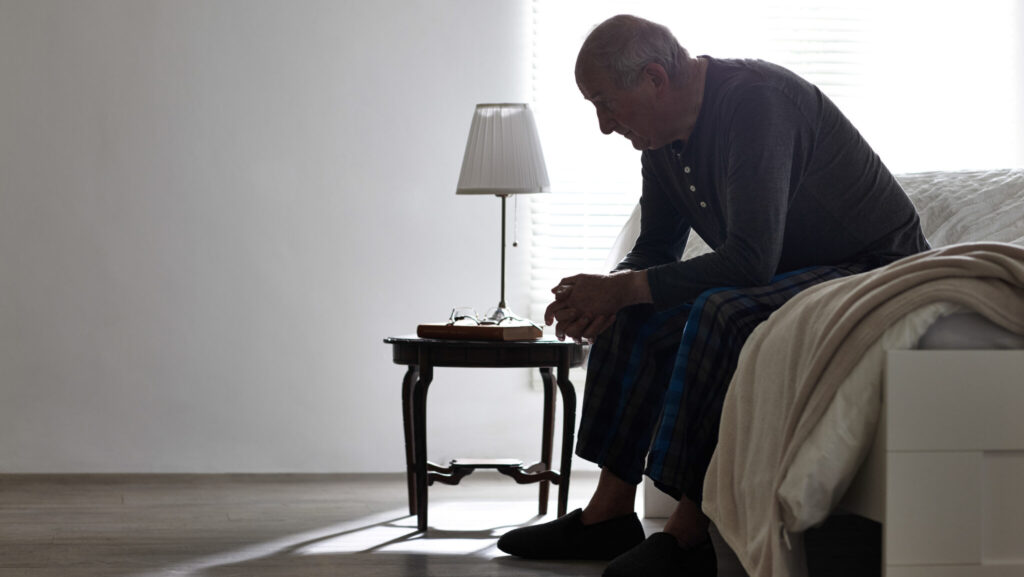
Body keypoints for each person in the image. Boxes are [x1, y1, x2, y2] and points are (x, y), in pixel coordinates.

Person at [496, 14, 930, 577]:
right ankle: (608, 514)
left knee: (720, 311)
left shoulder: (757, 105)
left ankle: (690, 535)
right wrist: (605, 298)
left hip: (874, 269)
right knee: (634, 312)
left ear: (655, 78)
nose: (604, 125)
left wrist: (624, 288)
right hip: (790, 272)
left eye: (606, 103)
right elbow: (654, 250)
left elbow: (750, 260)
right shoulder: (661, 140)